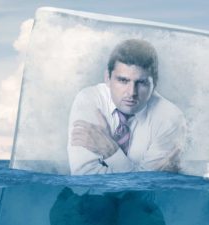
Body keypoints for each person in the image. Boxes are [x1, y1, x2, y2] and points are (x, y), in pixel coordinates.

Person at [67, 39, 186, 175]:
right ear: (107, 78)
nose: (131, 93)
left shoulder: (170, 118)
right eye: (123, 80)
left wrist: (110, 151)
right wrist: (138, 176)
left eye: (141, 82)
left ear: (155, 83)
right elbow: (84, 178)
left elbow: (146, 189)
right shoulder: (89, 100)